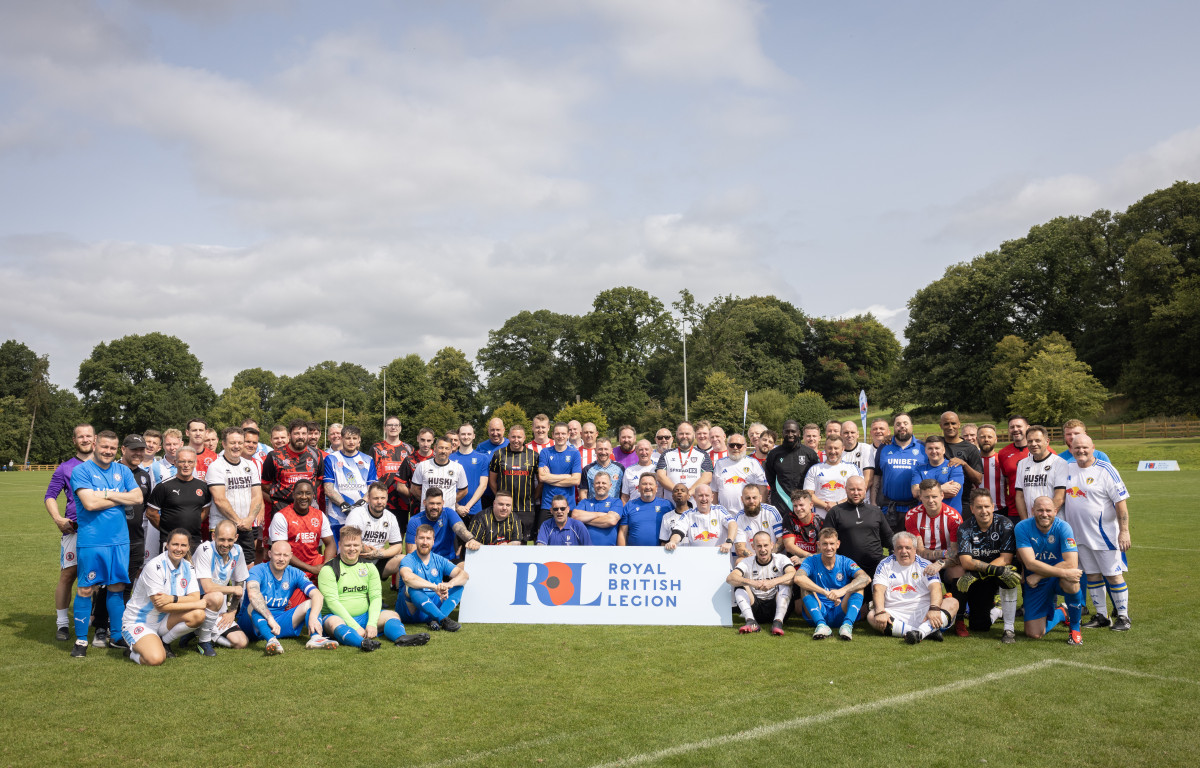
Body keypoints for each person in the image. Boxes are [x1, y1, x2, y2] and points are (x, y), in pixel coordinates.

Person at [1062, 435, 1132, 632]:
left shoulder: (1105, 469)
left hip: (1105, 535)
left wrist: (1124, 531)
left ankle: (1124, 617)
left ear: (1093, 448)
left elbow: (1121, 503)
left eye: (1085, 447)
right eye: (1077, 448)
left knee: (1113, 575)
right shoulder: (1068, 468)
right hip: (1079, 536)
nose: (1081, 451)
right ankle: (1102, 616)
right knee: (1092, 575)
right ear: (1071, 449)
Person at [319, 526, 430, 650]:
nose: (352, 549)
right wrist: (354, 626)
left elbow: (376, 597)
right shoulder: (329, 569)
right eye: (347, 545)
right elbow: (332, 603)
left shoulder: (369, 567)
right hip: (338, 617)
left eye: (356, 545)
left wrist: (371, 624)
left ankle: (401, 638)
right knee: (333, 622)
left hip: (364, 616)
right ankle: (362, 643)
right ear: (340, 545)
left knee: (392, 615)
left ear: (361, 545)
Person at [119, 529, 206, 664]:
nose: (179, 549)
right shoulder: (154, 566)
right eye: (175, 544)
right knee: (155, 659)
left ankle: (164, 642)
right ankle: (131, 653)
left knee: (198, 615)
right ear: (167, 545)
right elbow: (161, 607)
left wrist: (173, 598)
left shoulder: (188, 566)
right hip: (139, 622)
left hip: (163, 620)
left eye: (183, 545)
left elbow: (194, 596)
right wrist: (198, 604)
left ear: (189, 547)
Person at [236, 540, 332, 655]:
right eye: (278, 554)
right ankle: (271, 641)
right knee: (254, 605)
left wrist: (313, 616)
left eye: (285, 555)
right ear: (270, 554)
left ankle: (316, 638)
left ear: (290, 556)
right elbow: (253, 594)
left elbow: (317, 595)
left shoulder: (295, 573)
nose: (281, 559)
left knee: (312, 603)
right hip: (251, 624)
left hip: (278, 624)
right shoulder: (258, 570)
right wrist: (270, 619)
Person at [45, 423, 93, 640]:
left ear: (95, 439)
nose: (85, 439)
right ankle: (62, 623)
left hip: (100, 530)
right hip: (74, 530)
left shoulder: (107, 465)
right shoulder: (65, 467)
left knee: (99, 577)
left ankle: (95, 619)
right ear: (74, 440)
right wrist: (57, 518)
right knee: (68, 575)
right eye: (80, 436)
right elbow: (50, 496)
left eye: (88, 436)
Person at [867, 531, 960, 644]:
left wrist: (934, 609)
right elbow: (878, 589)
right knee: (872, 616)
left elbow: (935, 588)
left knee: (953, 602)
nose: (904, 551)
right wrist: (881, 611)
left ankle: (920, 632)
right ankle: (925, 632)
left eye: (908, 548)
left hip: (924, 612)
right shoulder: (884, 564)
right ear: (894, 550)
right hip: (895, 613)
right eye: (899, 548)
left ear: (915, 550)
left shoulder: (925, 564)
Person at [1015, 496, 1084, 644]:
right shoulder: (1022, 527)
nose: (1044, 514)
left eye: (1048, 510)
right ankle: (1061, 613)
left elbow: (1071, 563)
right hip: (1036, 583)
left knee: (1072, 580)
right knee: (1034, 634)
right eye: (1040, 510)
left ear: (1055, 511)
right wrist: (1063, 572)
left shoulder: (1064, 527)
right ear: (1033, 511)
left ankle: (1075, 628)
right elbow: (1030, 564)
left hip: (1051, 579)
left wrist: (1039, 575)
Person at [955, 490, 1022, 643]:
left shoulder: (1005, 524)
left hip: (990, 573)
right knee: (979, 626)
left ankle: (1009, 628)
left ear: (993, 507)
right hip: (981, 577)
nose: (983, 511)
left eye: (986, 506)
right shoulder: (965, 528)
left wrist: (978, 573)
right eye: (979, 507)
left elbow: (1006, 559)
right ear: (972, 509)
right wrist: (983, 572)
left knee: (1008, 576)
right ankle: (998, 611)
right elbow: (966, 562)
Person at [794, 528, 871, 640]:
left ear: (838, 544)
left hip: (840, 608)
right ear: (818, 545)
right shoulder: (810, 561)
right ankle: (821, 625)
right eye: (825, 544)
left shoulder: (846, 561)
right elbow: (798, 578)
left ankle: (847, 626)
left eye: (832, 544)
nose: (829, 548)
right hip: (819, 609)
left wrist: (841, 591)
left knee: (858, 585)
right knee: (804, 586)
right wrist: (825, 592)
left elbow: (866, 578)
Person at [206, 427, 263, 567]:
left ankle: (244, 590)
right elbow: (219, 500)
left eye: (240, 443)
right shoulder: (216, 466)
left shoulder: (250, 465)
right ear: (224, 444)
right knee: (221, 569)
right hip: (222, 527)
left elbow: (257, 496)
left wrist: (250, 519)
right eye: (232, 443)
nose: (237, 446)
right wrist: (238, 521)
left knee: (248, 567)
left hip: (246, 526)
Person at [193, 520, 251, 656]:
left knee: (241, 642)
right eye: (222, 539)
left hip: (220, 608)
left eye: (230, 540)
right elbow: (207, 587)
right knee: (216, 595)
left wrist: (232, 611)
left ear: (236, 538)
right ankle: (203, 641)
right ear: (213, 537)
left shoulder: (238, 551)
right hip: (198, 605)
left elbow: (240, 581)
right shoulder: (205, 549)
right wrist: (233, 590)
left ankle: (196, 632)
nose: (226, 544)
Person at [399, 524, 470, 631]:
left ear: (433, 541)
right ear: (416, 540)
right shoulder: (408, 559)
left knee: (459, 586)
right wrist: (434, 587)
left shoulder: (439, 560)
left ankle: (437, 619)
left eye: (428, 538)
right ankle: (443, 619)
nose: (424, 542)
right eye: (421, 538)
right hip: (411, 611)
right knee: (411, 588)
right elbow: (407, 578)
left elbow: (464, 575)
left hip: (433, 609)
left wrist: (449, 584)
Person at [260, 419, 324, 537]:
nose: (300, 437)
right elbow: (265, 484)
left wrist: (304, 494)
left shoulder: (317, 455)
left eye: (304, 433)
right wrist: (283, 494)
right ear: (289, 435)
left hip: (308, 508)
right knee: (280, 550)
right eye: (296, 434)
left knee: (311, 547)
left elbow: (318, 480)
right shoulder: (274, 456)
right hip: (282, 508)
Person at [822, 476, 893, 580]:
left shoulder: (876, 511)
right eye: (852, 489)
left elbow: (888, 538)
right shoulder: (835, 512)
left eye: (859, 489)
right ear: (846, 490)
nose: (856, 493)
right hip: (847, 569)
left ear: (865, 490)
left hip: (876, 567)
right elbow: (826, 541)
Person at [905, 480, 965, 597]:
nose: (931, 500)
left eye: (934, 496)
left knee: (958, 571)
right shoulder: (911, 516)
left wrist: (940, 563)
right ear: (920, 497)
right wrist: (943, 553)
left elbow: (955, 554)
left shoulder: (954, 518)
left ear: (942, 495)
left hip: (947, 563)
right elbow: (920, 551)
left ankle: (959, 610)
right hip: (921, 562)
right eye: (926, 497)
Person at [727, 531, 794, 635]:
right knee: (739, 584)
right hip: (756, 608)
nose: (763, 550)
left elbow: (793, 574)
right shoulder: (747, 561)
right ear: (753, 547)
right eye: (759, 546)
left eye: (766, 545)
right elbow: (730, 578)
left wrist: (773, 582)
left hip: (777, 605)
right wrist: (752, 582)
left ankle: (778, 622)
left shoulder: (781, 558)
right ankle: (750, 621)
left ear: (772, 545)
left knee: (786, 582)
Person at [145, 447, 211, 553]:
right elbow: (151, 513)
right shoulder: (163, 486)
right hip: (170, 542)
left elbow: (205, 510)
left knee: (193, 569)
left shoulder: (203, 486)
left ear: (195, 463)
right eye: (182, 461)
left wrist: (193, 523)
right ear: (175, 463)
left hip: (194, 540)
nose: (186, 465)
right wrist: (167, 530)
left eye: (190, 462)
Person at [268, 480, 335, 580]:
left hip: (315, 563)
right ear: (293, 495)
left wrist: (325, 566)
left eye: (308, 493)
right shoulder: (281, 517)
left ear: (313, 495)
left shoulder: (319, 515)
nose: (304, 497)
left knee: (336, 568)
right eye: (300, 493)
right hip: (290, 567)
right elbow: (281, 552)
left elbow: (331, 544)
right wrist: (311, 569)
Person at [322, 425, 377, 543]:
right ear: (342, 439)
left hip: (362, 514)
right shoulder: (331, 459)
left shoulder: (368, 460)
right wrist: (343, 504)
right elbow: (328, 488)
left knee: (359, 550)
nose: (351, 442)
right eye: (348, 438)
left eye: (354, 438)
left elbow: (372, 487)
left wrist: (361, 503)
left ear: (359, 440)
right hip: (337, 516)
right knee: (338, 551)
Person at [873, 413, 926, 531]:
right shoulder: (884, 447)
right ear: (893, 428)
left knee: (915, 546)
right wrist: (873, 502)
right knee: (893, 546)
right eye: (898, 424)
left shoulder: (923, 447)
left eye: (905, 423)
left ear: (912, 426)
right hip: (890, 508)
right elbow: (877, 475)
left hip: (916, 507)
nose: (902, 426)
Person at [489, 424, 540, 541]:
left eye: (519, 437)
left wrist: (532, 498)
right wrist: (500, 499)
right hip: (504, 508)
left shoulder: (534, 456)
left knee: (525, 543)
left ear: (524, 438)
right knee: (504, 541)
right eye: (513, 437)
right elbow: (492, 481)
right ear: (508, 437)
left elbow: (541, 482)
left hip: (526, 508)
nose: (516, 440)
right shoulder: (498, 454)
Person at [344, 482, 406, 578]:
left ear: (387, 498)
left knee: (404, 560)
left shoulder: (391, 517)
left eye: (382, 498)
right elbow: (350, 542)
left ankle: (400, 592)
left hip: (377, 559)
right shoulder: (357, 514)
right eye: (376, 498)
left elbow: (398, 546)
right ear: (368, 498)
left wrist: (380, 554)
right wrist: (370, 551)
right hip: (356, 559)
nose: (379, 502)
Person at [405, 488, 481, 561]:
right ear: (424, 503)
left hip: (448, 561)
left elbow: (460, 529)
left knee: (464, 570)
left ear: (443, 503)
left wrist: (471, 539)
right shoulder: (414, 521)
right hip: (424, 562)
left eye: (438, 503)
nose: (435, 507)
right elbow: (411, 553)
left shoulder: (449, 513)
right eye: (431, 503)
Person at [764, 420, 820, 513]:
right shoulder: (773, 454)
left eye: (793, 431)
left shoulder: (810, 454)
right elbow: (770, 478)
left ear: (798, 433)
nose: (790, 434)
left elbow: (815, 478)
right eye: (787, 431)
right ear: (782, 433)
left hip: (803, 505)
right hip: (781, 504)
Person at [1013, 425, 1067, 520]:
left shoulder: (1060, 463)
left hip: (1053, 521)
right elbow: (1019, 496)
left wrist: (1045, 518)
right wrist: (1026, 522)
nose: (1033, 444)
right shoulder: (1022, 464)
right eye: (1030, 441)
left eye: (1038, 440)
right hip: (1030, 522)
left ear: (1047, 441)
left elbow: (1060, 497)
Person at [118, 434, 151, 583]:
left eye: (141, 450)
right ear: (123, 449)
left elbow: (145, 507)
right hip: (113, 538)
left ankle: (124, 607)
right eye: (134, 449)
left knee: (128, 584)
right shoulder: (111, 471)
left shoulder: (144, 476)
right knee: (106, 585)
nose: (138, 453)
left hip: (135, 539)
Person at [803, 436, 862, 519]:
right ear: (825, 449)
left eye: (836, 448)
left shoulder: (852, 469)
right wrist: (826, 506)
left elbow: (860, 493)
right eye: (830, 448)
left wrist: (837, 504)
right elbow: (808, 494)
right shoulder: (814, 469)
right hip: (820, 518)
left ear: (842, 449)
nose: (833, 451)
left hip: (847, 517)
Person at [663, 484, 735, 552]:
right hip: (697, 559)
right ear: (695, 498)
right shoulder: (688, 515)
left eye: (707, 495)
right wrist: (673, 542)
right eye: (700, 495)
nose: (704, 499)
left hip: (720, 556)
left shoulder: (719, 510)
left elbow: (732, 524)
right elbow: (678, 531)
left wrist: (729, 542)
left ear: (712, 497)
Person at [538, 423, 582, 532]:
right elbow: (542, 478)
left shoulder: (574, 453)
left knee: (569, 539)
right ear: (552, 434)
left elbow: (576, 480)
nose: (560, 436)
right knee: (541, 538)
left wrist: (550, 477)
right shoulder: (545, 452)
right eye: (557, 433)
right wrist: (566, 477)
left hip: (568, 505)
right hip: (548, 503)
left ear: (568, 435)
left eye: (563, 433)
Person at [710, 433, 767, 514]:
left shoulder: (753, 463)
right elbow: (714, 490)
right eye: (732, 445)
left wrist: (760, 511)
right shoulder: (720, 464)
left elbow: (763, 489)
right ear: (727, 446)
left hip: (748, 515)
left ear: (745, 446)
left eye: (739, 445)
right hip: (725, 515)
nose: (735, 448)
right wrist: (715, 512)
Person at [656, 422, 713, 502]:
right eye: (681, 434)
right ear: (676, 435)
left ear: (693, 435)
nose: (684, 436)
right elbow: (660, 476)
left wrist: (689, 493)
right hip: (671, 505)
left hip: (694, 506)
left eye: (687, 433)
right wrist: (678, 492)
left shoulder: (703, 455)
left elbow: (707, 477)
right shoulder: (666, 454)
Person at [908, 435, 964, 513]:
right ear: (925, 451)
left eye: (937, 448)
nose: (934, 451)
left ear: (944, 450)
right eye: (930, 448)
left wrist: (925, 494)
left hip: (951, 517)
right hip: (926, 517)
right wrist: (942, 488)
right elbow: (915, 493)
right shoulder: (919, 469)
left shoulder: (954, 466)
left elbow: (953, 492)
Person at [372, 416, 414, 522]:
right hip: (381, 498)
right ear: (385, 428)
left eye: (396, 425)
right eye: (390, 425)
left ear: (400, 428)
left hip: (402, 500)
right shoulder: (376, 448)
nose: (393, 427)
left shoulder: (409, 449)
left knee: (399, 534)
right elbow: (371, 474)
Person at [618, 474, 675, 546]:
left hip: (661, 554)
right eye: (644, 484)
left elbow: (675, 530)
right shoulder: (629, 506)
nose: (648, 487)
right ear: (638, 488)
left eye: (651, 484)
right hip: (634, 554)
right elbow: (622, 533)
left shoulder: (667, 505)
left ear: (656, 488)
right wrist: (622, 553)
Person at [940, 411, 983, 502]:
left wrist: (964, 464)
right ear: (941, 426)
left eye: (953, 423)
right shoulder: (936, 445)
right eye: (946, 424)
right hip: (938, 500)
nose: (950, 427)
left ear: (959, 425)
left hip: (963, 501)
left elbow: (978, 480)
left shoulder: (970, 449)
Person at [733, 485, 784, 560]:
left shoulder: (771, 511)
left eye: (754, 498)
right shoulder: (738, 518)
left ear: (760, 498)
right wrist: (758, 559)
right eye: (748, 498)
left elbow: (782, 540)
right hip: (752, 559)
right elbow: (740, 548)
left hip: (773, 556)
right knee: (739, 561)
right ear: (742, 499)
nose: (751, 501)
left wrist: (767, 556)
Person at [571, 473, 622, 545]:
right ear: (593, 485)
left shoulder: (616, 502)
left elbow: (611, 521)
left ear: (610, 486)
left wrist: (585, 520)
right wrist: (601, 514)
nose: (600, 485)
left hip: (609, 551)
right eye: (598, 483)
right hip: (586, 550)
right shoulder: (585, 502)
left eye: (604, 483)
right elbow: (575, 516)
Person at [997, 415, 1032, 518]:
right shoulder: (1003, 453)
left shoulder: (1043, 451)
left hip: (1038, 510)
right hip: (1014, 510)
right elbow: (1008, 480)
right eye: (1012, 427)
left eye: (1019, 426)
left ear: (1028, 428)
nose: (1015, 429)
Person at [453, 424, 490, 518]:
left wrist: (467, 506)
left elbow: (483, 485)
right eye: (463, 434)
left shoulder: (483, 458)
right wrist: (457, 507)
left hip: (474, 510)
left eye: (469, 434)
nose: (466, 437)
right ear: (458, 436)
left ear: (474, 436)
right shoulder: (450, 458)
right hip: (453, 510)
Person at [780, 491, 821, 566]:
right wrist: (808, 556)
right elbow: (789, 546)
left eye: (801, 505)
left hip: (814, 564)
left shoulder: (819, 522)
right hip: (794, 563)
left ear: (811, 505)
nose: (798, 509)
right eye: (795, 506)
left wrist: (805, 559)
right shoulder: (789, 518)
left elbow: (821, 551)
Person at [977, 424, 1010, 517]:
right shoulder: (972, 461)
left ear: (996, 440)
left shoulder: (1002, 459)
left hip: (1001, 510)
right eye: (982, 437)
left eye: (990, 437)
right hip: (978, 510)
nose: (986, 439)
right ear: (977, 439)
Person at [839, 421, 875, 490]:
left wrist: (857, 495)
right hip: (841, 498)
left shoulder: (865, 448)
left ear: (857, 434)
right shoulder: (836, 452)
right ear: (841, 434)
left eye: (852, 432)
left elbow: (868, 479)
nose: (849, 435)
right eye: (846, 433)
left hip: (860, 497)